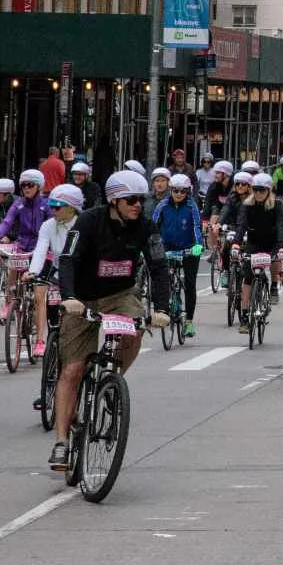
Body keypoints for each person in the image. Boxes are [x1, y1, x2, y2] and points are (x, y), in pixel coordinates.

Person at [50, 171, 172, 471]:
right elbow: (67, 259)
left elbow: (158, 267)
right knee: (74, 369)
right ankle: (62, 442)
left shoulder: (146, 225)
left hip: (121, 293)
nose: (137, 206)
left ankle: (112, 379)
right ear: (114, 200)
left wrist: (162, 309)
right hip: (83, 297)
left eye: (141, 200)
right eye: (131, 200)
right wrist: (69, 297)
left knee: (137, 330)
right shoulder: (89, 220)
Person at [27, 185, 83, 359]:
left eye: (57, 207)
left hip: (80, 271)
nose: (53, 210)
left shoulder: (83, 223)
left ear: (72, 207)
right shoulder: (48, 225)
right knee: (46, 298)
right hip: (58, 270)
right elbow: (40, 249)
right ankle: (47, 338)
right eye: (51, 206)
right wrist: (33, 271)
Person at [234, 174, 283, 333]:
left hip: (272, 242)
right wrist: (236, 244)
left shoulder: (277, 205)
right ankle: (244, 317)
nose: (258, 193)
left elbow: (282, 227)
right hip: (253, 243)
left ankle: (273, 286)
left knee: (275, 258)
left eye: (262, 190)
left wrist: (281, 247)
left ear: (268, 190)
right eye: (255, 190)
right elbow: (241, 226)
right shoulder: (247, 205)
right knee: (247, 278)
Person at [153, 175, 204, 341]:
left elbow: (197, 227)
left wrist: (198, 245)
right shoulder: (162, 205)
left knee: (190, 283)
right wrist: (151, 244)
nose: (179, 194)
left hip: (188, 249)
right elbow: (153, 226)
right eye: (175, 190)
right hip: (167, 248)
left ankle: (189, 320)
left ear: (188, 192)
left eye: (183, 191)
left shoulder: (192, 206)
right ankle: (165, 309)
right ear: (170, 189)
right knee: (162, 281)